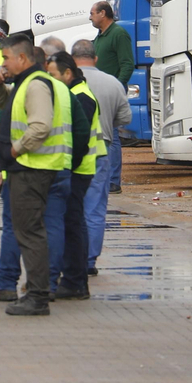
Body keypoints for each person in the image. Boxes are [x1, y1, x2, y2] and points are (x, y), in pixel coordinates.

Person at [0, 33, 71, 316]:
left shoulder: (35, 85)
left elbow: (39, 127)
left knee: (30, 232)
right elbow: (7, 107)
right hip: (32, 167)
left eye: (6, 58)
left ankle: (37, 295)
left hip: (32, 168)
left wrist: (15, 151)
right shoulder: (25, 84)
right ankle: (37, 292)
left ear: (22, 58)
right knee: (30, 231)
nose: (3, 64)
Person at [47, 49, 102, 299]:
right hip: (79, 167)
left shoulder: (81, 96)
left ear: (68, 73)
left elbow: (79, 138)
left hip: (79, 169)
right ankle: (74, 280)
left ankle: (75, 281)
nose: (50, 80)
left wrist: (69, 165)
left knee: (73, 225)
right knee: (73, 224)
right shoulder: (75, 92)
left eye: (53, 75)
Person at [72, 38, 132, 263]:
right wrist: (107, 123)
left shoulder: (64, 82)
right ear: (95, 58)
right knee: (95, 206)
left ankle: (71, 257)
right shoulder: (112, 83)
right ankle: (89, 260)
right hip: (101, 147)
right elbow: (125, 117)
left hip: (68, 150)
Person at [88, 1, 134, 92]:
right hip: (100, 91)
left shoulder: (119, 34)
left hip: (111, 92)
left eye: (92, 14)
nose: (90, 18)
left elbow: (127, 65)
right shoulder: (100, 36)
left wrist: (117, 87)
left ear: (102, 13)